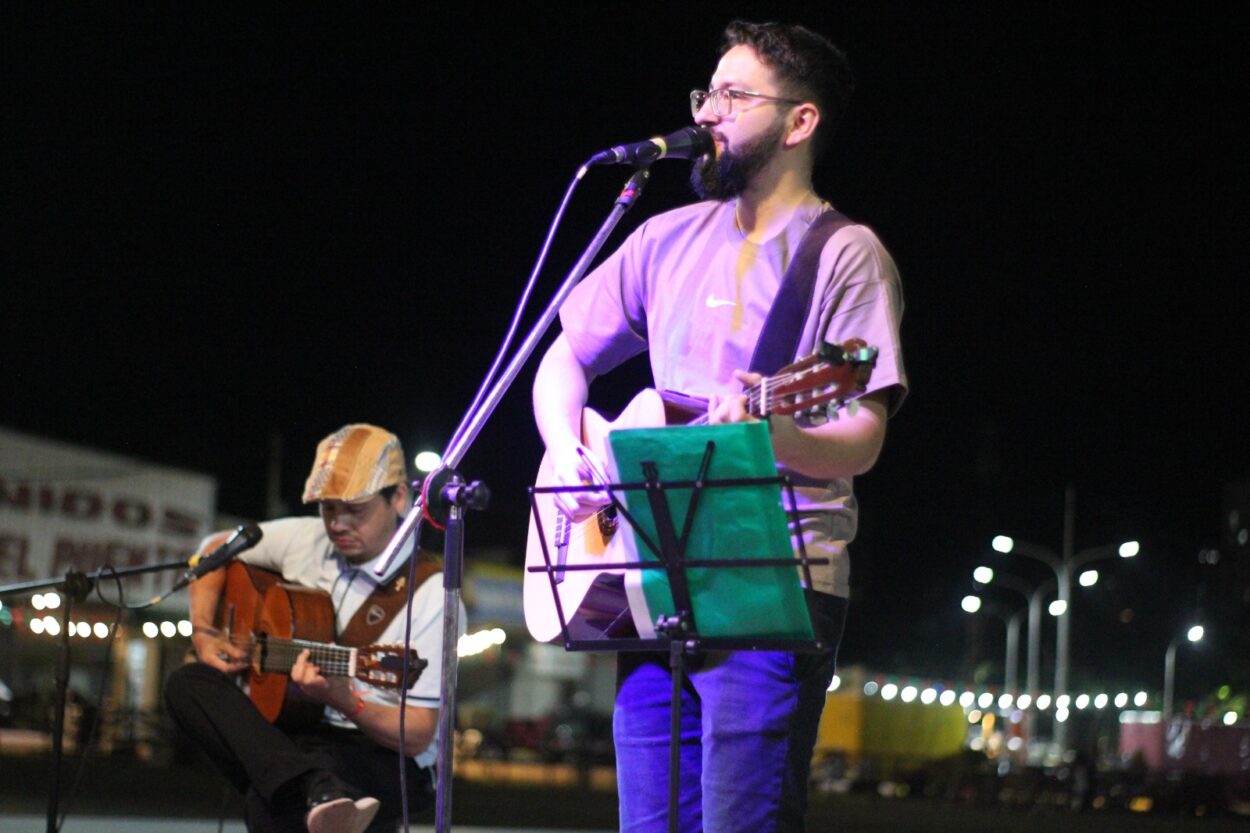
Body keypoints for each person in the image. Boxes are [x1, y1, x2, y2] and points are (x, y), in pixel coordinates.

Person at [531, 20, 907, 833]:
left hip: (772, 577)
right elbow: (562, 359)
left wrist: (772, 433)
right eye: (706, 93)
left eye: (734, 96)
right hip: (650, 575)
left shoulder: (845, 254)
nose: (708, 112)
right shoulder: (661, 236)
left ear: (799, 121)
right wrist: (569, 446)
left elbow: (863, 434)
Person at [164, 424, 458, 833]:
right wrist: (204, 632)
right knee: (186, 683)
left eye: (354, 508)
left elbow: (418, 736)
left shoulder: (432, 593)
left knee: (275, 804)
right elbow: (214, 549)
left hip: (386, 756)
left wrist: (343, 698)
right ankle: (314, 787)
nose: (337, 523)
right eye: (328, 507)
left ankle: (311, 786)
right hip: (300, 735)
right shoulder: (307, 538)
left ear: (400, 498)